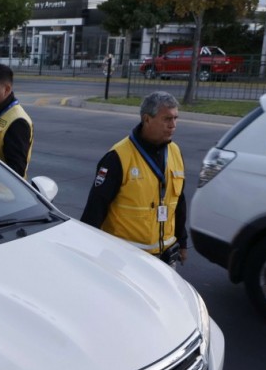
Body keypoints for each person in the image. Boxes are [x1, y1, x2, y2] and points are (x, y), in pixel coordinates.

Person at [80, 91, 188, 266]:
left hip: (166, 258)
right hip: (126, 259)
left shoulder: (175, 152)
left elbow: (179, 201)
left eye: (176, 118)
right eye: (167, 119)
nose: (173, 125)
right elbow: (95, 208)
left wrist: (182, 242)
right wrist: (87, 252)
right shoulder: (118, 157)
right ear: (146, 119)